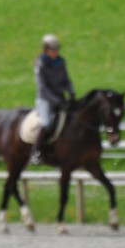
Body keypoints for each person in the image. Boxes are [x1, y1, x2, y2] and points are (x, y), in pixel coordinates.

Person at [30, 33, 76, 164]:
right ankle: (36, 152)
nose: (55, 52)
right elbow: (42, 87)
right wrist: (56, 100)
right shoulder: (40, 64)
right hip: (45, 99)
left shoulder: (60, 62)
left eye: (56, 50)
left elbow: (66, 80)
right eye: (52, 50)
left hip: (60, 98)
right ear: (45, 50)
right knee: (46, 123)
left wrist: (71, 92)